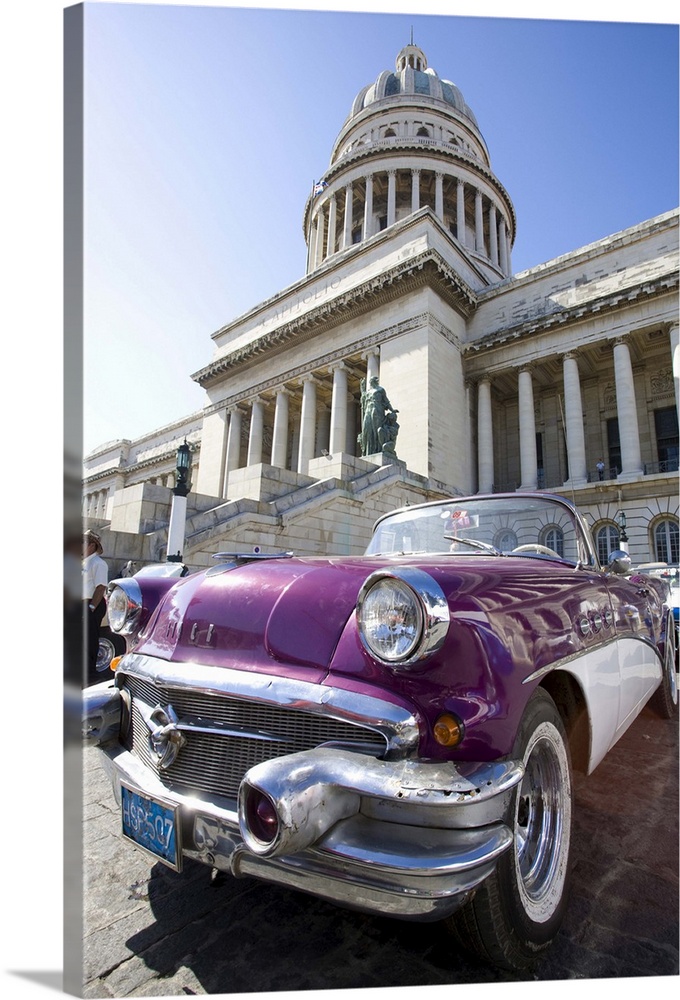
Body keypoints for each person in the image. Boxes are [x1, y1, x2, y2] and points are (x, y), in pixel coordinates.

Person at [83, 529, 109, 685]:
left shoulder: (98, 563)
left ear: (92, 545)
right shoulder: (85, 562)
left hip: (93, 603)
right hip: (82, 603)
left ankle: (90, 674)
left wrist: (91, 607)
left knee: (89, 639)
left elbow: (100, 587)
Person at [358, 376, 398, 456]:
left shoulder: (380, 390)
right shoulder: (368, 391)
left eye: (371, 381)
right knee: (366, 429)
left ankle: (378, 449)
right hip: (368, 410)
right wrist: (362, 390)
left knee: (376, 430)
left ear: (375, 381)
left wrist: (392, 410)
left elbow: (386, 401)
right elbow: (364, 401)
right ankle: (368, 451)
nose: (370, 383)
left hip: (377, 410)